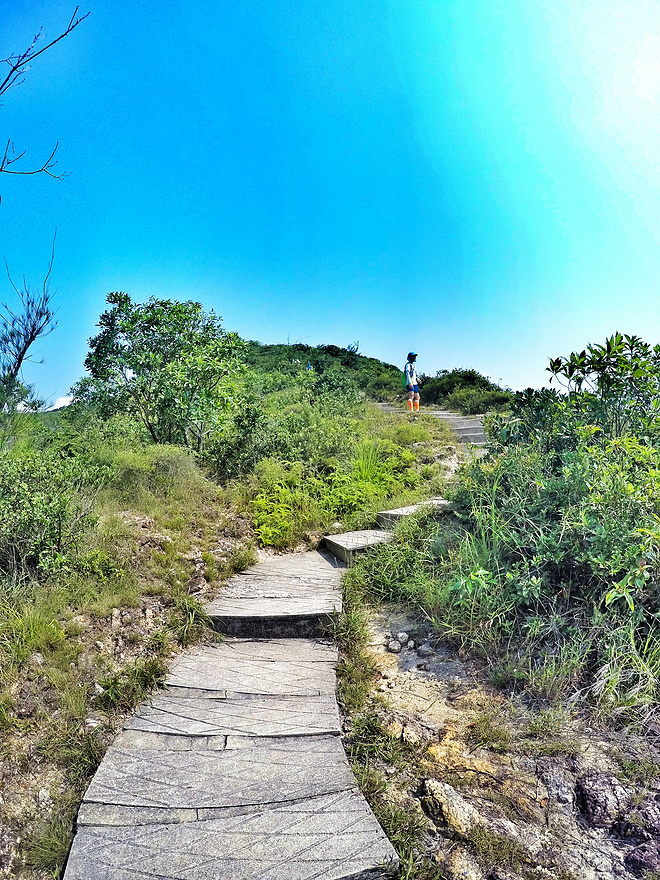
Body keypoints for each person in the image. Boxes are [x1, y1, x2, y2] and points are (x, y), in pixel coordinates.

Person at [404, 351, 420, 415]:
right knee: (411, 396)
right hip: (410, 383)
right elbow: (407, 374)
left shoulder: (413, 365)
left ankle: (417, 410)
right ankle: (411, 410)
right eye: (413, 356)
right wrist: (410, 382)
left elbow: (413, 374)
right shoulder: (407, 365)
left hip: (415, 382)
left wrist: (417, 379)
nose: (414, 358)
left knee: (417, 396)